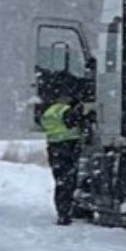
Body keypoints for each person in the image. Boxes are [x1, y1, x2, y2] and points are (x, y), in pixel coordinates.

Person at [38, 96, 84, 226]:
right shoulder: (64, 110)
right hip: (67, 147)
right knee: (69, 181)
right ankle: (65, 213)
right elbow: (72, 122)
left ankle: (62, 212)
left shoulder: (48, 112)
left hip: (54, 148)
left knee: (61, 182)